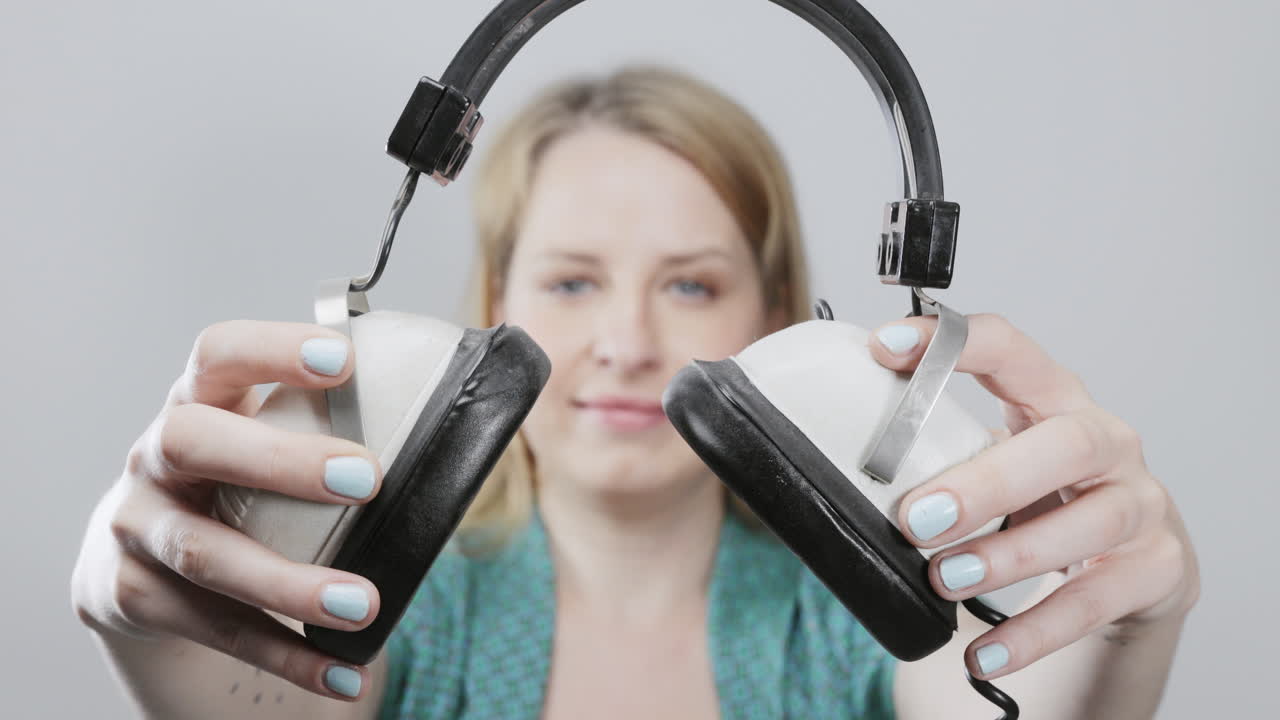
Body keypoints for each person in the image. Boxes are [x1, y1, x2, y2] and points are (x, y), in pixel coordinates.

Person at [71, 65, 1201, 719]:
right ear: (492, 313)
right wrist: (145, 611)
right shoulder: (385, 605)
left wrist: (1126, 611)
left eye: (692, 283)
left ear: (767, 329)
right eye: (569, 280)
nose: (624, 340)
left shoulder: (853, 622)